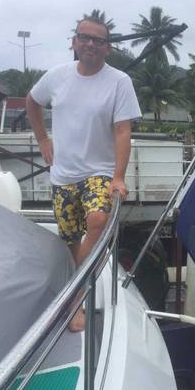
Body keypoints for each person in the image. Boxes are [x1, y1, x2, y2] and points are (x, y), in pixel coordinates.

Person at [26, 17, 141, 331]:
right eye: (85, 38)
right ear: (74, 42)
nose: (91, 44)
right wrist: (43, 139)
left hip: (99, 172)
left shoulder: (119, 82)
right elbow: (32, 102)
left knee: (98, 221)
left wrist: (118, 177)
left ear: (108, 48)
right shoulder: (57, 76)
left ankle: (73, 299)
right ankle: (74, 289)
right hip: (63, 176)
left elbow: (123, 131)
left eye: (99, 40)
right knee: (70, 241)